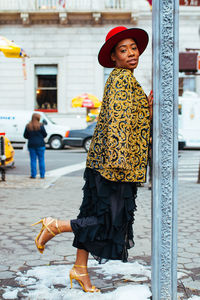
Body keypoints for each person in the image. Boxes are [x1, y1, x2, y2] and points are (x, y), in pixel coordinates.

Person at [32, 26, 153, 293]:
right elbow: (119, 125)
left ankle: (80, 270)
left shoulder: (122, 79)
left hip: (101, 164)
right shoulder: (122, 79)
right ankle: (55, 226)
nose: (131, 53)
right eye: (123, 50)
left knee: (92, 216)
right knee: (109, 222)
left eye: (133, 48)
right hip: (114, 167)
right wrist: (120, 164)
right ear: (114, 57)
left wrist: (146, 107)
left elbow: (127, 118)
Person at [24, 113, 47, 179]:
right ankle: (42, 175)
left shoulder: (28, 126)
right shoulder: (41, 125)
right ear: (38, 118)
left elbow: (25, 135)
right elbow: (45, 135)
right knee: (41, 160)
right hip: (40, 144)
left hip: (31, 145)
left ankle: (33, 175)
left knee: (33, 160)